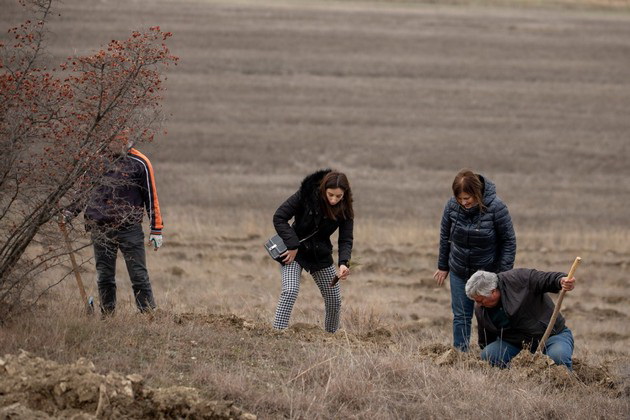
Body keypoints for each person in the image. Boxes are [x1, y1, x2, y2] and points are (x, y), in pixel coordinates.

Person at [70, 136, 163, 314]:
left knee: (138, 275)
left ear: (127, 141)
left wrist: (156, 229)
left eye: (120, 141)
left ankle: (148, 315)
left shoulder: (140, 162)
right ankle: (107, 315)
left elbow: (151, 196)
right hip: (100, 227)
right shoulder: (95, 161)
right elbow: (82, 191)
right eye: (111, 140)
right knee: (104, 276)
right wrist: (70, 212)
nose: (115, 145)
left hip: (130, 228)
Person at [433, 169, 516, 351]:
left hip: (487, 273)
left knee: (488, 315)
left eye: (467, 198)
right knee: (461, 316)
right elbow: (445, 236)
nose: (463, 203)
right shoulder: (451, 207)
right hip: (459, 269)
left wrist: (502, 275)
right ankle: (459, 355)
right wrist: (443, 266)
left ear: (477, 193)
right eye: (459, 198)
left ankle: (491, 354)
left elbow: (508, 241)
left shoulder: (496, 208)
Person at [272, 169, 354, 333]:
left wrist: (344, 263)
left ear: (344, 194)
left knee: (334, 299)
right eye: (330, 194)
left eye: (338, 196)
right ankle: (277, 333)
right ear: (323, 189)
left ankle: (331, 336)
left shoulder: (345, 209)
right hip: (293, 252)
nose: (333, 199)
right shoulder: (305, 195)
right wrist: (293, 245)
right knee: (290, 290)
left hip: (320, 254)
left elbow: (345, 239)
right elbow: (279, 217)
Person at [465, 269, 576, 369]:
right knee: (489, 355)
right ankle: (520, 375)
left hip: (551, 335)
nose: (478, 304)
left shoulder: (518, 279)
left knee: (558, 357)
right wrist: (488, 353)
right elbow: (486, 337)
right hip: (516, 344)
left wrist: (560, 280)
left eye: (481, 300)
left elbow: (544, 279)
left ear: (493, 292)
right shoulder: (481, 308)